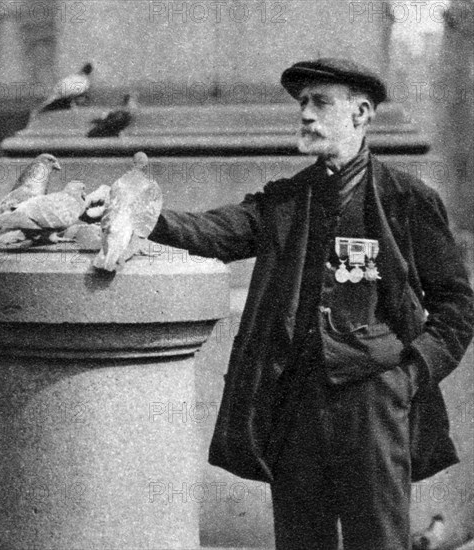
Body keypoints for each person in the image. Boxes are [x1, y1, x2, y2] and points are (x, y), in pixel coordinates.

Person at [149, 58, 474, 550]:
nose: (305, 114)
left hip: (374, 402)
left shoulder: (407, 198)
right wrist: (143, 213)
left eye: (321, 103)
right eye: (303, 103)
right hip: (295, 400)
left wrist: (409, 376)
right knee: (301, 540)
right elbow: (213, 232)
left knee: (378, 540)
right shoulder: (288, 199)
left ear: (362, 113)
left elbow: (456, 307)